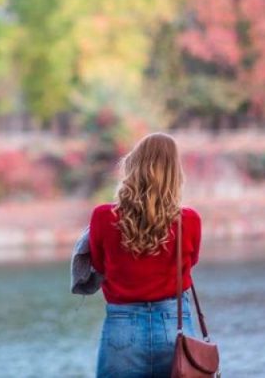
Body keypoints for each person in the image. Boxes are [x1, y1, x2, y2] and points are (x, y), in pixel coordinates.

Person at [87, 132, 202, 378]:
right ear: (175, 173)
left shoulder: (103, 217)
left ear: (133, 166)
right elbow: (189, 265)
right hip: (175, 324)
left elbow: (98, 265)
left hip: (122, 326)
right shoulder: (189, 220)